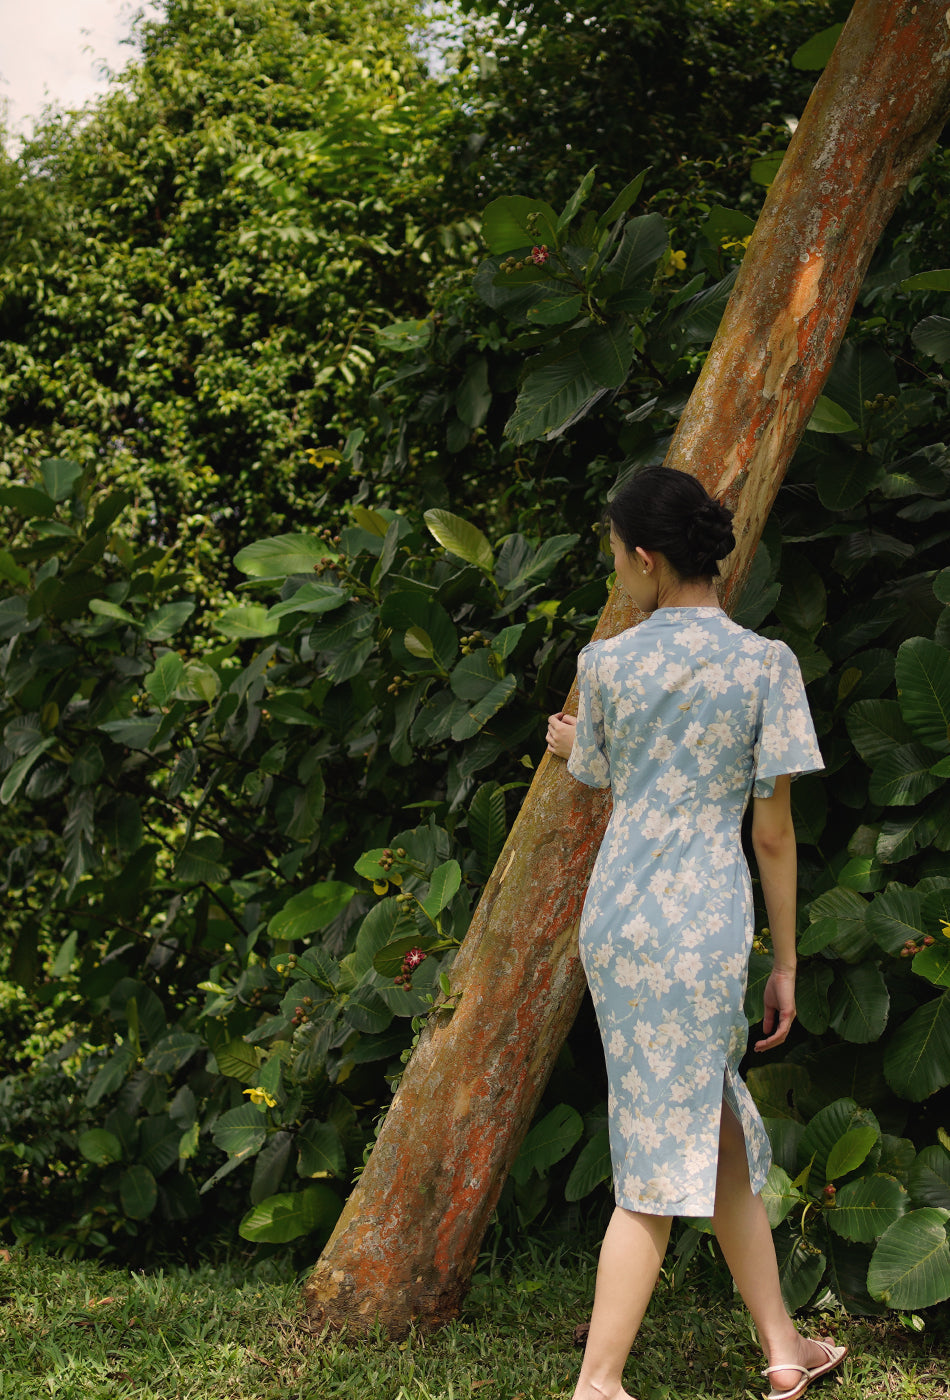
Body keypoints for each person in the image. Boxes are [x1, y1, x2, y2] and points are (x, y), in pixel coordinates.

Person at [545, 466, 846, 1400]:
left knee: (697, 1131)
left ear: (645, 557)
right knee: (662, 1148)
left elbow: (592, 769)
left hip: (623, 918)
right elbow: (773, 833)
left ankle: (786, 1350)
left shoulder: (606, 666)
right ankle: (600, 1382)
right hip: (707, 921)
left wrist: (568, 746)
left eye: (614, 558)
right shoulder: (766, 664)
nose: (615, 576)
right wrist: (786, 961)